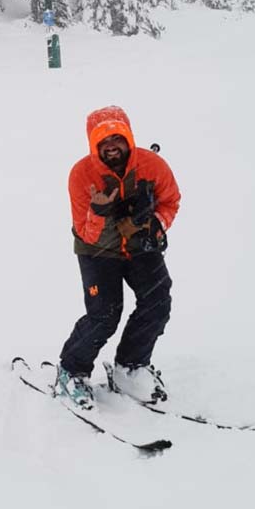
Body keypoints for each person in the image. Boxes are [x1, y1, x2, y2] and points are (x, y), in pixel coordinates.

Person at [55, 105, 181, 410]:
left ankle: (131, 366)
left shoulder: (153, 166)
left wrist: (154, 226)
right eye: (103, 142)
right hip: (97, 251)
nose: (112, 146)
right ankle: (71, 370)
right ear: (94, 146)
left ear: (128, 138)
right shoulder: (81, 175)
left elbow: (170, 201)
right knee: (105, 314)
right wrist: (98, 212)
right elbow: (86, 233)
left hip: (140, 247)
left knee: (157, 302)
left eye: (117, 139)